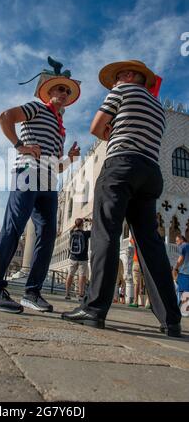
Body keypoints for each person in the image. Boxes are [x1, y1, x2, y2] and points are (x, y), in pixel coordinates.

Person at [62, 60, 182, 337]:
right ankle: (171, 319)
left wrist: (111, 130)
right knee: (150, 244)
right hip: (150, 173)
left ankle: (94, 310)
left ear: (129, 76)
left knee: (106, 233)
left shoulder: (122, 91)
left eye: (117, 78)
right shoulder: (157, 108)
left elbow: (96, 127)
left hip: (121, 166)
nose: (113, 83)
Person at [0, 57, 81, 314]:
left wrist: (71, 159)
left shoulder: (61, 130)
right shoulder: (36, 108)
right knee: (14, 227)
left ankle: (32, 293)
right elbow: (4, 117)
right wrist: (19, 146)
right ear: (49, 91)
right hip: (27, 173)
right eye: (60, 89)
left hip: (48, 182)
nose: (64, 93)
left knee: (47, 235)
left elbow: (56, 165)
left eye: (67, 91)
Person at [65, 218, 91, 301]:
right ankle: (81, 295)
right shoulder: (85, 233)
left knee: (70, 275)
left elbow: (73, 228)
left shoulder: (72, 233)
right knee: (81, 276)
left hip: (72, 257)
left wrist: (76, 224)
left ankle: (67, 293)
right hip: (83, 258)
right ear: (82, 225)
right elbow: (96, 229)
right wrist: (90, 221)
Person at [173, 235, 189, 307]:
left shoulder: (183, 246)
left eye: (177, 241)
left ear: (182, 239)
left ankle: (180, 309)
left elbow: (181, 258)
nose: (176, 243)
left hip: (184, 272)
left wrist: (175, 268)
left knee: (181, 291)